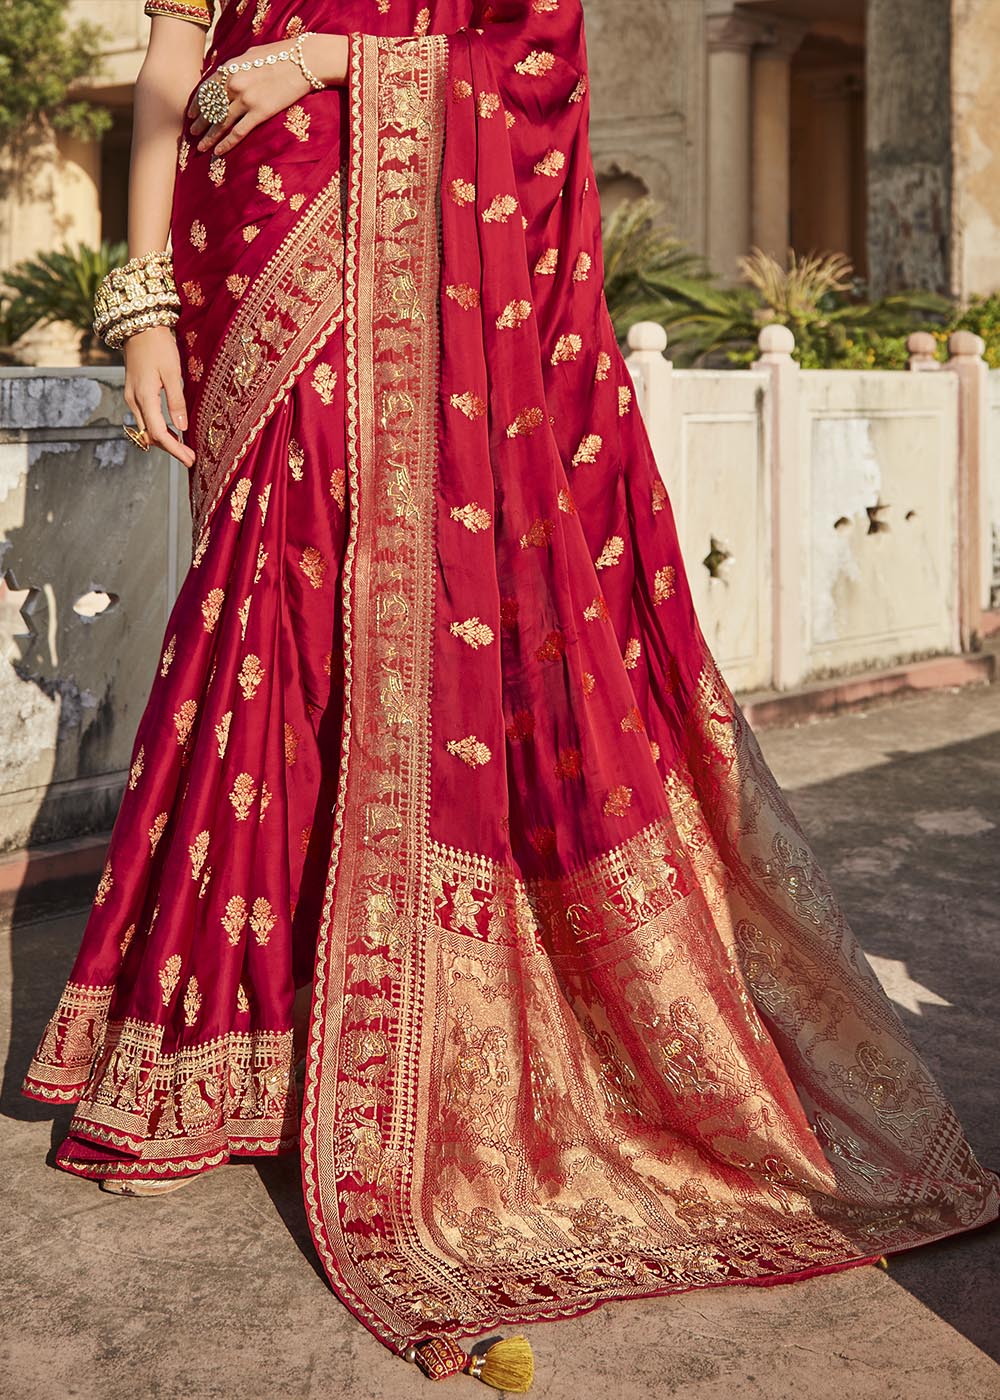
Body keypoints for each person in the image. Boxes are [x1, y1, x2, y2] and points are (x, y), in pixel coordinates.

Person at [22, 0, 999, 1390]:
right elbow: (174, 69)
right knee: (264, 621)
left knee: (386, 638)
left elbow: (530, 65)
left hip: (411, 271)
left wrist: (329, 60)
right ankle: (225, 1047)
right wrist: (143, 307)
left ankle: (369, 1057)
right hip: (252, 266)